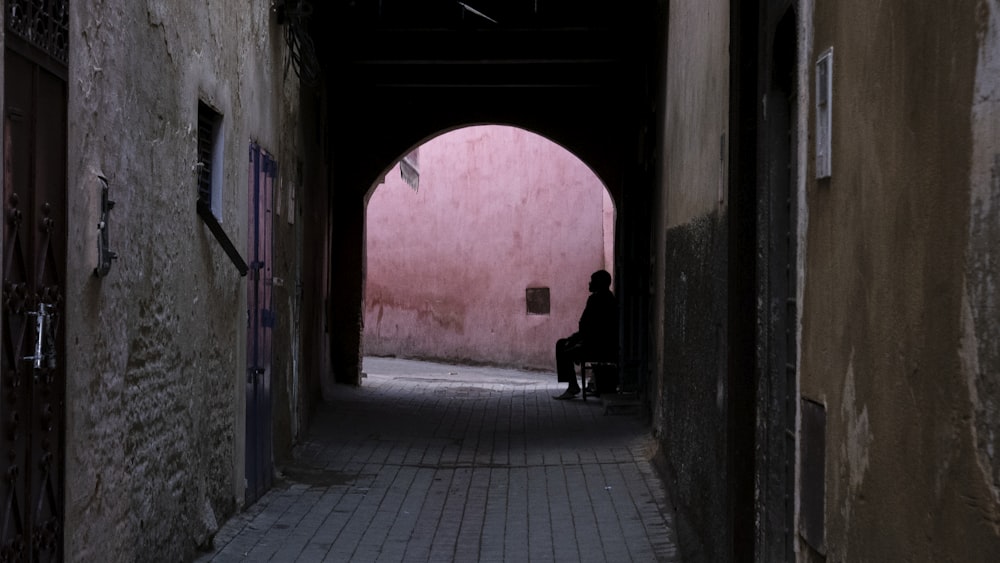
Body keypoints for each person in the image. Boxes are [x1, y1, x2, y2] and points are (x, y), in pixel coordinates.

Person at [553, 269, 618, 399]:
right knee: (563, 344)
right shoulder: (610, 298)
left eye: (592, 281)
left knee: (563, 348)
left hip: (596, 346)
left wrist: (576, 340)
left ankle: (572, 386)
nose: (589, 284)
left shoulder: (595, 299)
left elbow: (587, 327)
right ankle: (574, 385)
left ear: (598, 284)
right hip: (601, 343)